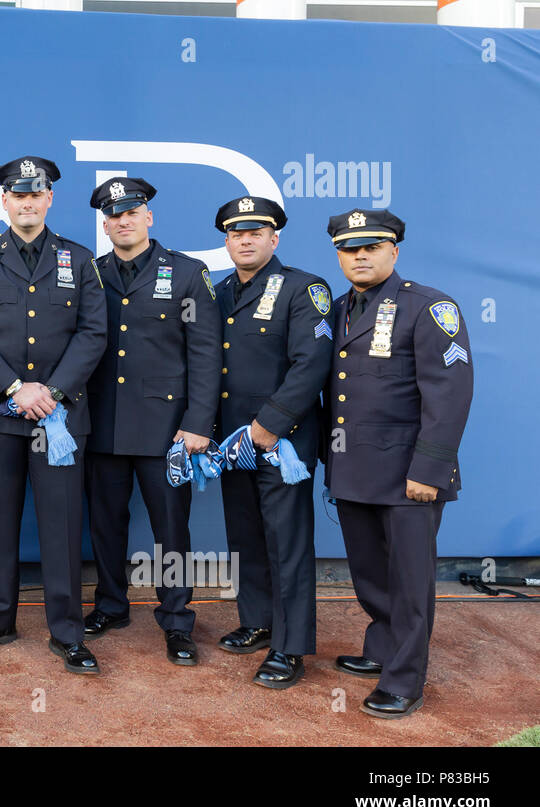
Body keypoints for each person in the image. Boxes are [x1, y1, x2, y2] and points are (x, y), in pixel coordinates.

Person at [0, 157, 107, 676]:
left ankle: (67, 631)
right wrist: (18, 388)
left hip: (59, 417)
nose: (28, 203)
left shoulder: (79, 259)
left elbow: (92, 334)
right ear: (5, 201)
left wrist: (53, 392)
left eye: (36, 195)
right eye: (18, 196)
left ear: (49, 199)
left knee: (62, 525)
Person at [323, 209, 472, 719]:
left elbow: (449, 397)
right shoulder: (340, 307)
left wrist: (429, 471)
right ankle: (383, 650)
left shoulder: (429, 307)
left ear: (394, 250)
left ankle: (405, 679)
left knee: (409, 583)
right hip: (354, 470)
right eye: (349, 248)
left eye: (371, 246)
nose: (359, 256)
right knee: (370, 576)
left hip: (409, 476)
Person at [84, 177, 220, 666]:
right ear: (105, 224)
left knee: (171, 529)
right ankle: (111, 605)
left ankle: (178, 619)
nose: (123, 221)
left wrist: (199, 421)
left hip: (167, 429)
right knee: (104, 523)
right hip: (101, 423)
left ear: (149, 217)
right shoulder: (91, 272)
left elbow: (205, 354)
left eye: (131, 213)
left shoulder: (186, 273)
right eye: (114, 216)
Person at [211, 196, 332, 689]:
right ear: (226, 240)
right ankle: (258, 620)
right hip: (232, 441)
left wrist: (270, 424)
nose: (245, 240)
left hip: (284, 442)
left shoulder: (305, 289)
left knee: (287, 543)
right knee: (245, 536)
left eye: (255, 232)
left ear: (273, 238)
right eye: (236, 233)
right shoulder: (217, 292)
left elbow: (312, 365)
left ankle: (290, 646)